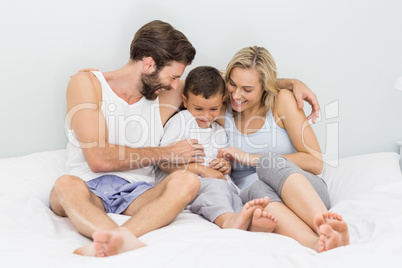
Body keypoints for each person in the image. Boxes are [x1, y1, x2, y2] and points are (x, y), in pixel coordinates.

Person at [49, 20, 204, 257]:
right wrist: (167, 153)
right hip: (87, 190)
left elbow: (224, 84)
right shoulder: (87, 84)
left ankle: (119, 240)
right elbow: (98, 159)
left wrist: (282, 84)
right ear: (149, 64)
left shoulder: (166, 94)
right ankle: (120, 241)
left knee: (188, 181)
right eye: (173, 77)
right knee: (64, 184)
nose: (175, 85)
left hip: (137, 194)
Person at [218, 46, 350, 252]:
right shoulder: (220, 102)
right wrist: (292, 81)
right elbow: (186, 84)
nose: (236, 94)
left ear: (265, 87)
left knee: (269, 161)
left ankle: (326, 226)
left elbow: (315, 162)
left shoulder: (281, 101)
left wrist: (252, 158)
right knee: (258, 190)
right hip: (260, 199)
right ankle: (317, 244)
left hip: (304, 191)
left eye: (248, 89)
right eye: (232, 84)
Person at [157, 66, 277, 231]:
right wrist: (202, 170)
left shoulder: (219, 131)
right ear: (185, 101)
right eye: (198, 109)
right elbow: (163, 162)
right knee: (216, 189)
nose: (206, 116)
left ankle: (248, 221)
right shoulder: (182, 121)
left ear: (222, 101)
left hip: (220, 184)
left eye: (214, 109)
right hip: (189, 184)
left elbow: (224, 163)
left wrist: (225, 166)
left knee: (233, 194)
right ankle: (228, 222)